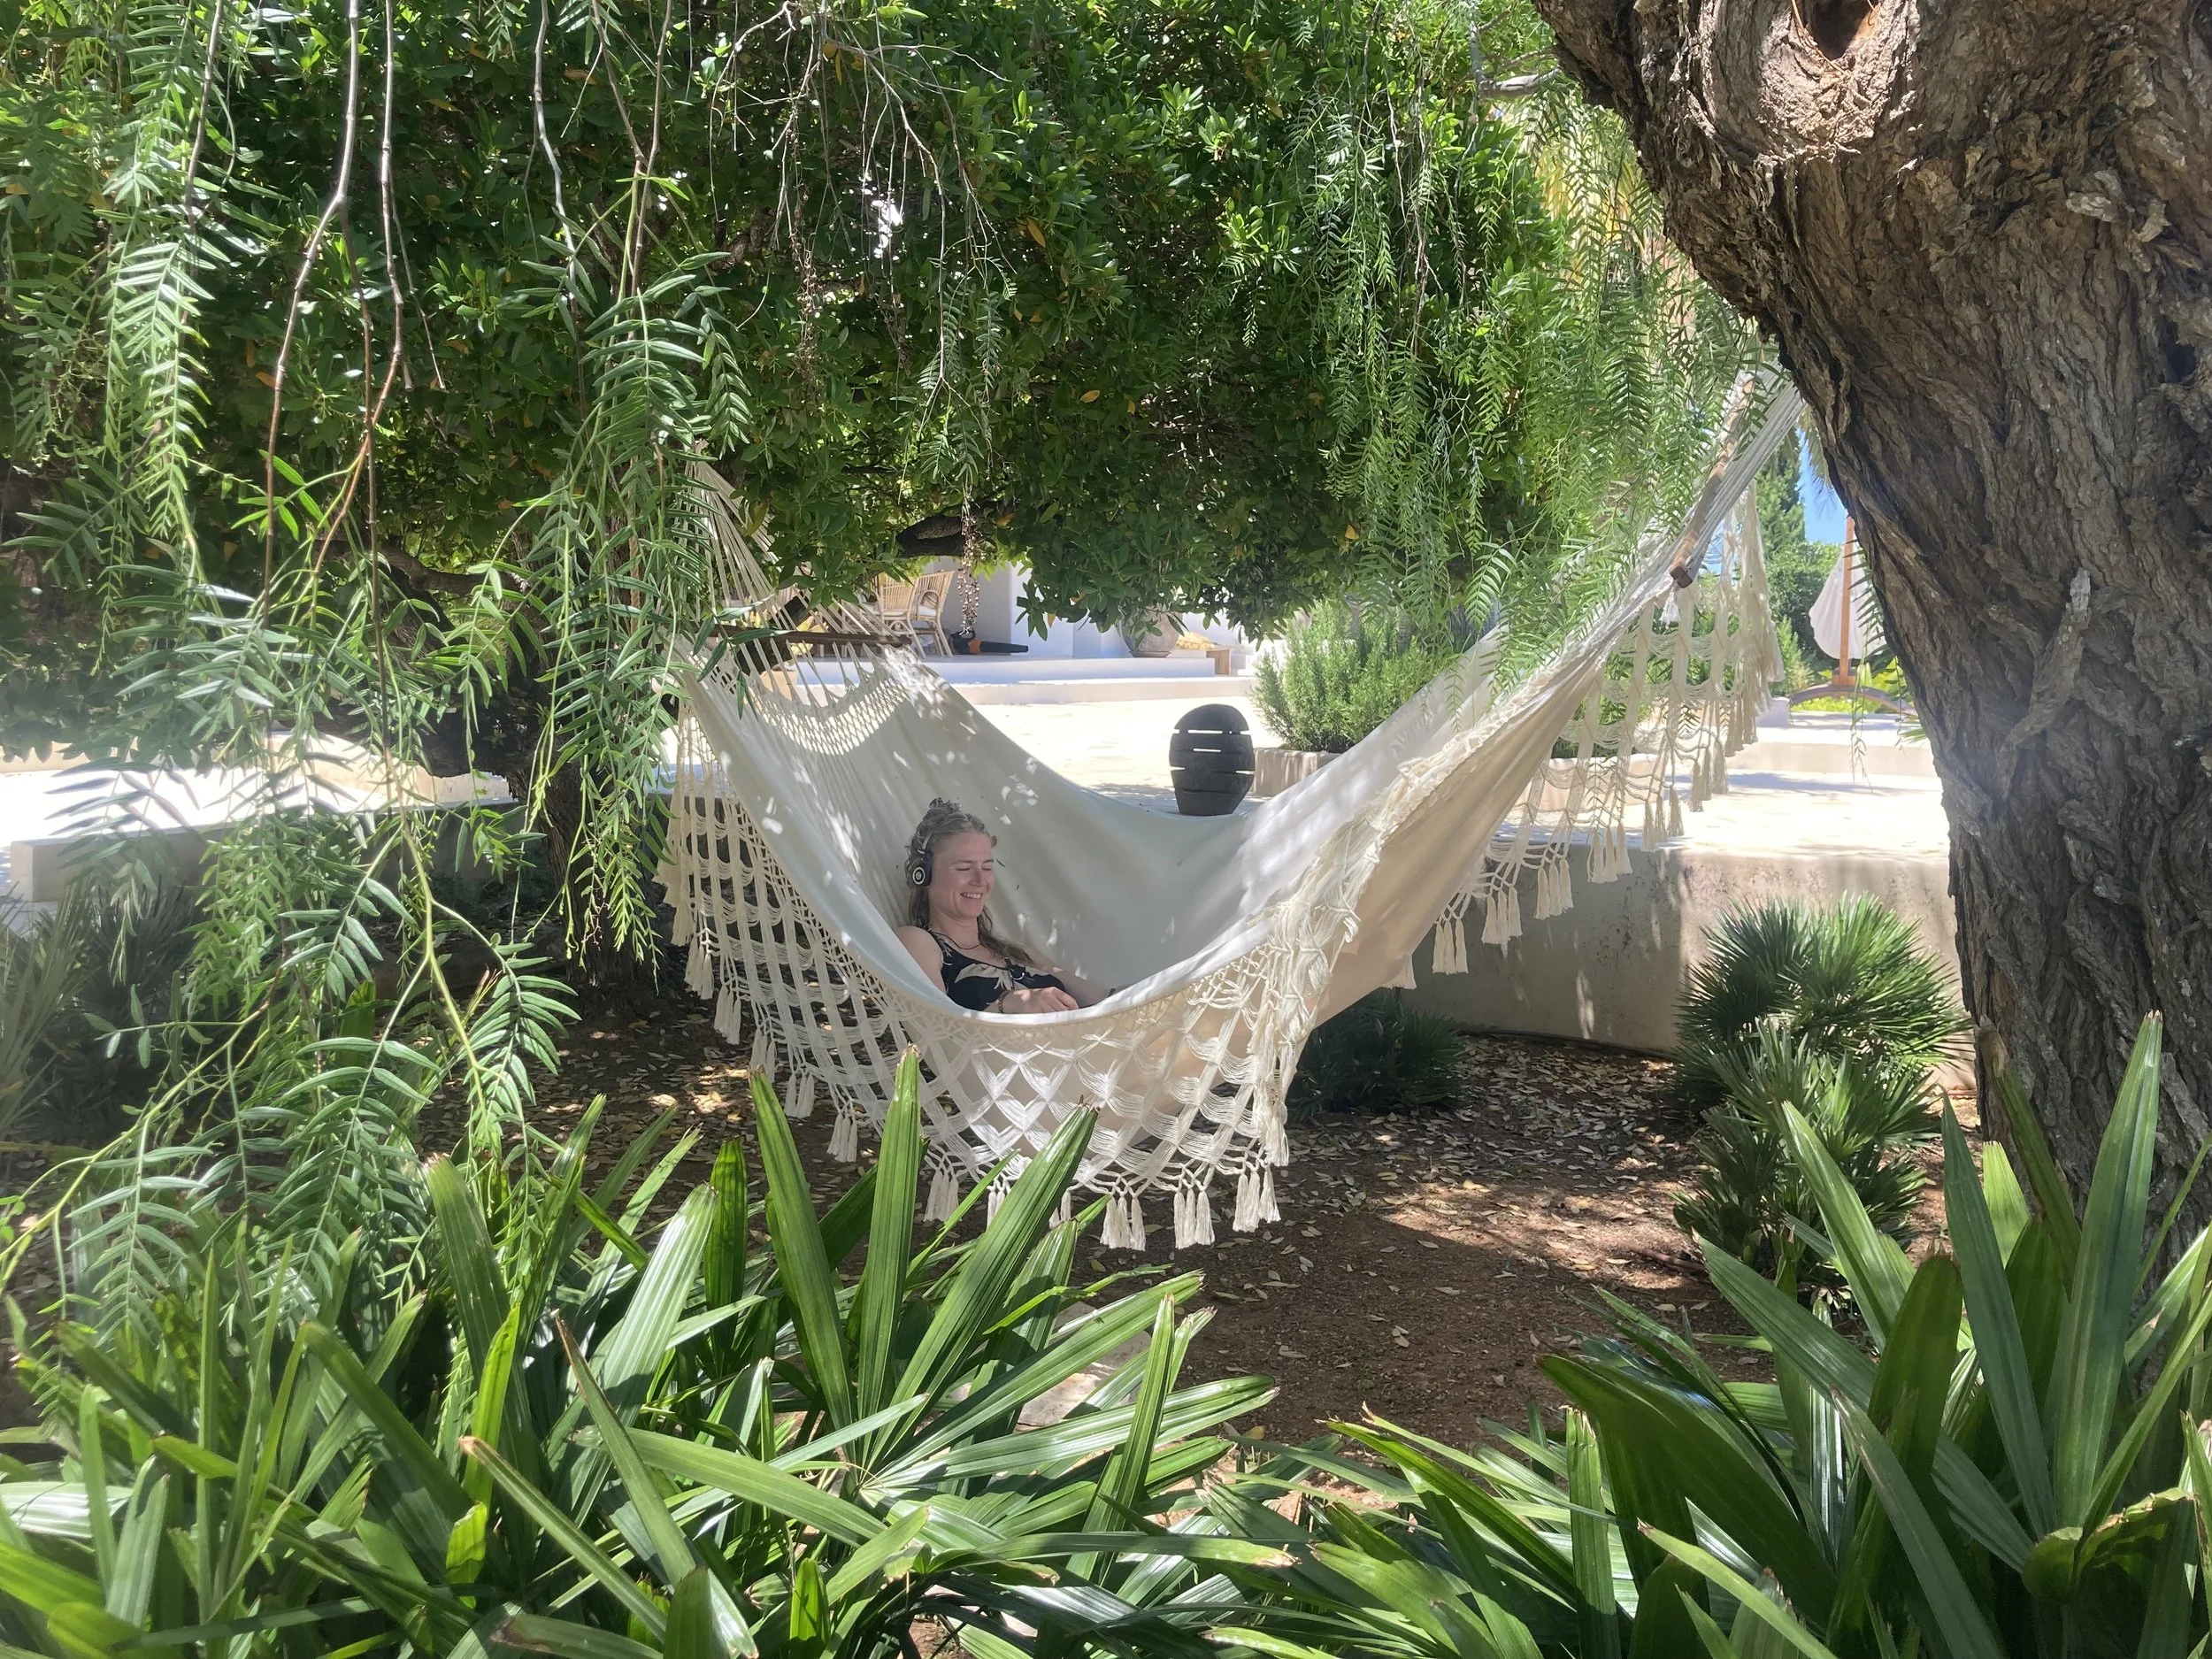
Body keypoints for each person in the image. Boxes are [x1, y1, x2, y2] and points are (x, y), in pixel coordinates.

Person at [895, 799, 1107, 1013]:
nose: (979, 880)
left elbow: (1104, 1001)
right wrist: (1009, 1003)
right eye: (964, 868)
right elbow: (938, 1029)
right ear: (924, 875)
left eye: (987, 868)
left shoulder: (1015, 951)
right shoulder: (918, 942)